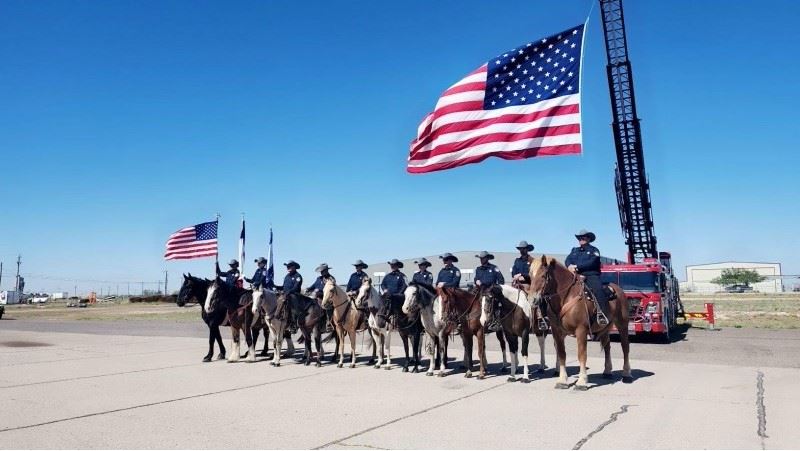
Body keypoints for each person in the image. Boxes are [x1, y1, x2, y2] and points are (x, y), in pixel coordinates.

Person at [565, 229, 609, 326]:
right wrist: (569, 266)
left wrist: (577, 266)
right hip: (576, 275)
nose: (581, 239)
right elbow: (568, 259)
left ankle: (602, 314)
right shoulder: (574, 250)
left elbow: (592, 262)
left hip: (591, 275)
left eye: (584, 237)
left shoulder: (594, 250)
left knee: (598, 290)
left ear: (589, 239)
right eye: (580, 238)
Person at [474, 251, 505, 331]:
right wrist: (476, 281)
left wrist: (494, 287)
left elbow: (501, 280)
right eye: (480, 258)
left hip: (491, 290)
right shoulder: (478, 269)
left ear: (487, 258)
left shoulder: (494, 268)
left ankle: (496, 321)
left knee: (497, 303)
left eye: (483, 258)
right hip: (481, 290)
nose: (481, 260)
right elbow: (476, 278)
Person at [281, 260, 303, 333]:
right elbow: (283, 287)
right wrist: (276, 287)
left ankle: (294, 324)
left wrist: (288, 292)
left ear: (294, 267)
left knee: (293, 306)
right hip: (286, 294)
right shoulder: (286, 276)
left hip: (295, 295)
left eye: (289, 266)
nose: (288, 267)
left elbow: (296, 287)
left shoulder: (298, 276)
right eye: (287, 266)